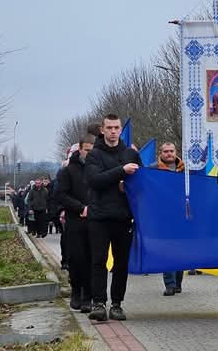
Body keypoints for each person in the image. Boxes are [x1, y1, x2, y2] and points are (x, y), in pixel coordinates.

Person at [85, 114, 142, 322]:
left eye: (116, 127)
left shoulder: (130, 154)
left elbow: (142, 182)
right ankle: (99, 303)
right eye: (109, 128)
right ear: (102, 130)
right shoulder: (94, 155)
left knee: (121, 263)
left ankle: (117, 304)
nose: (113, 131)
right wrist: (121, 172)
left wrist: (129, 181)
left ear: (120, 129)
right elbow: (94, 180)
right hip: (99, 217)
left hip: (123, 217)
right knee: (99, 261)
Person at [56, 135, 96, 314]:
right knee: (77, 259)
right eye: (87, 150)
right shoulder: (68, 171)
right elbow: (61, 195)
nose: (90, 153)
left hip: (95, 221)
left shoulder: (97, 169)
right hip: (75, 221)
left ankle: (89, 296)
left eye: (93, 150)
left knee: (92, 260)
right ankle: (76, 292)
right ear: (80, 150)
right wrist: (80, 208)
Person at [154, 142, 187, 296]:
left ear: (176, 152)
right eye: (165, 151)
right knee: (166, 249)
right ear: (160, 153)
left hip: (181, 214)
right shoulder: (152, 170)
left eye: (171, 151)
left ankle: (178, 282)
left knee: (180, 248)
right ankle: (170, 284)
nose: (169, 154)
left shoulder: (185, 169)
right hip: (163, 215)